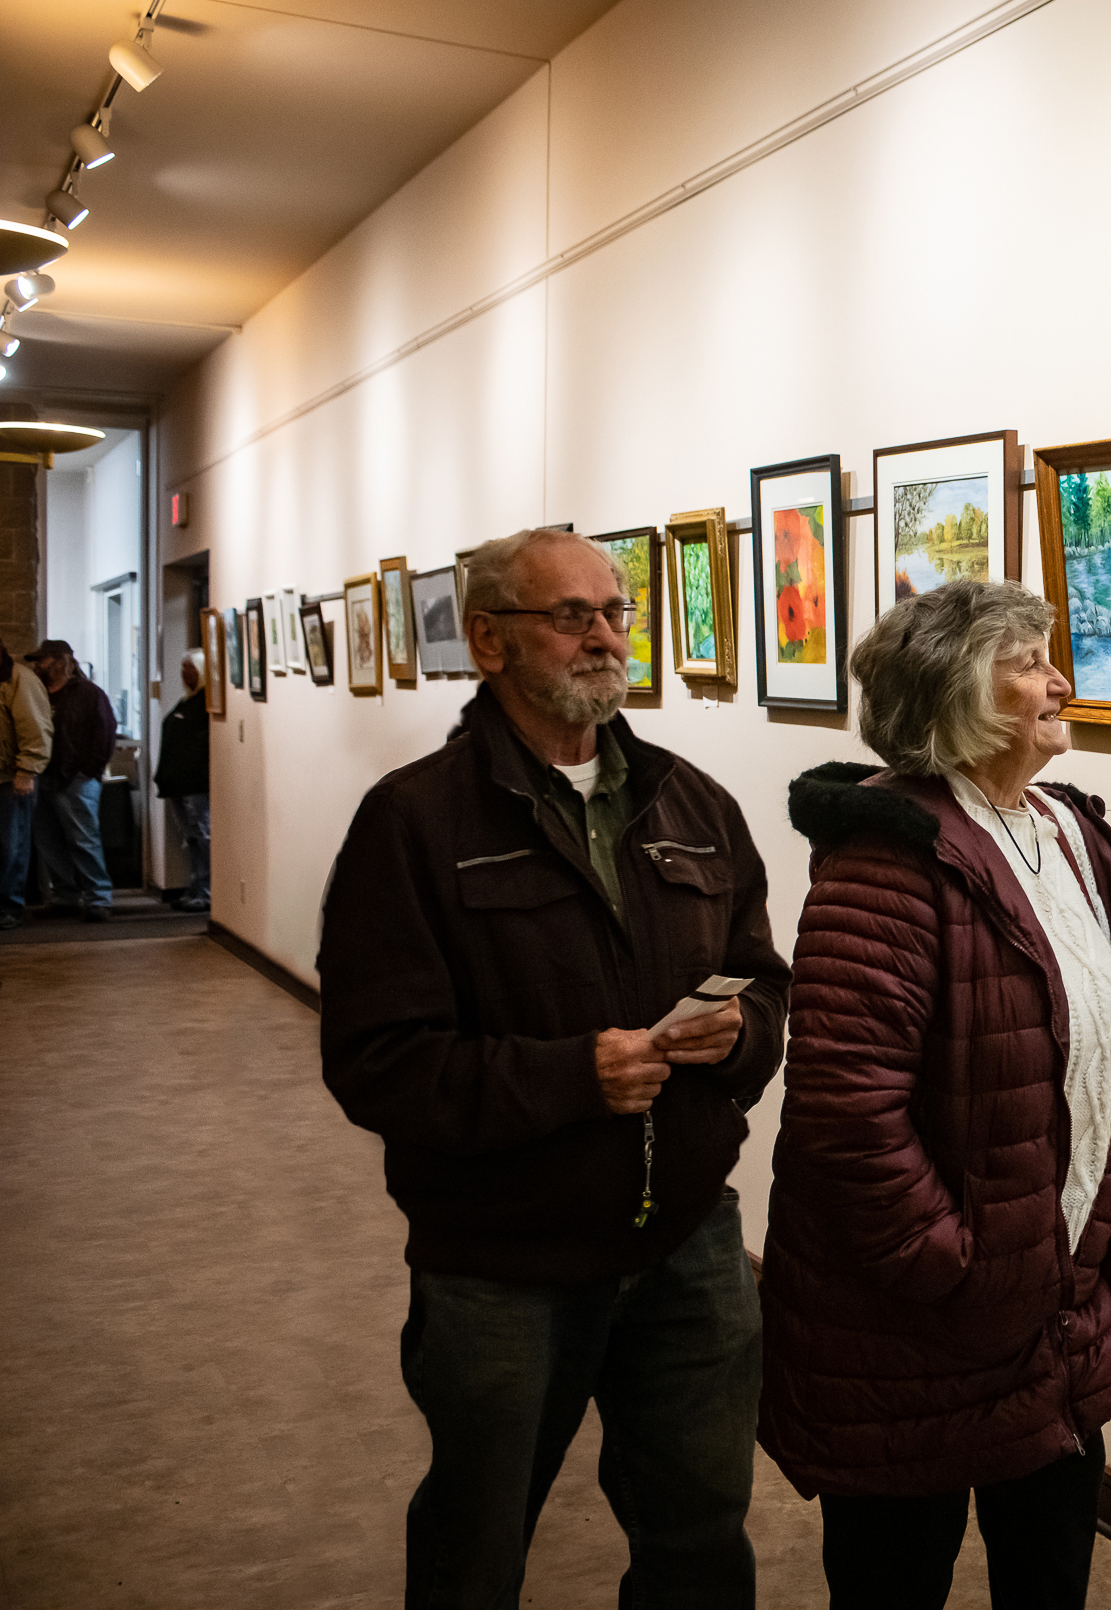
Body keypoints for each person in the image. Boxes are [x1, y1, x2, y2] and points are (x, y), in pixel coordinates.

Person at [318, 527, 789, 1609]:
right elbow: (377, 1062)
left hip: (687, 1241)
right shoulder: (415, 821)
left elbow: (765, 979)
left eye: (617, 611)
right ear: (489, 640)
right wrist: (574, 1076)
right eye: (570, 614)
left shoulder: (693, 804)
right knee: (476, 1546)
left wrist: (742, 1033)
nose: (605, 636)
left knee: (701, 1534)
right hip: (500, 1261)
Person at [759, 579, 1111, 1610]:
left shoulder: (1078, 837)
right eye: (1028, 660)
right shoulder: (886, 860)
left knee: (1047, 1583)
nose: (1059, 680)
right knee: (893, 1583)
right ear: (955, 691)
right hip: (911, 1334)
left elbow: (1088, 1060)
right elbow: (842, 1114)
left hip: (1059, 1311)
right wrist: (959, 1264)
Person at [26, 639, 116, 922]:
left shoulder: (89, 694)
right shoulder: (39, 693)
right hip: (45, 776)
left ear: (58, 661)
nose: (37, 666)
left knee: (83, 839)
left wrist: (89, 770)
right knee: (48, 840)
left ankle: (98, 897)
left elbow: (105, 731)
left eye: (42, 660)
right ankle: (65, 896)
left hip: (77, 778)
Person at [0, 638, 53, 931]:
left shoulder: (19, 679)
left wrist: (27, 770)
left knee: (11, 844)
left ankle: (9, 905)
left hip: (10, 778)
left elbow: (34, 727)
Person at [154, 649, 210, 912]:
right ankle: (196, 889)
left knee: (202, 836)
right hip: (179, 784)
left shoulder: (205, 703)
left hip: (195, 784)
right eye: (182, 667)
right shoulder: (186, 701)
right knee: (192, 838)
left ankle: (205, 891)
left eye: (191, 668)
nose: (185, 673)